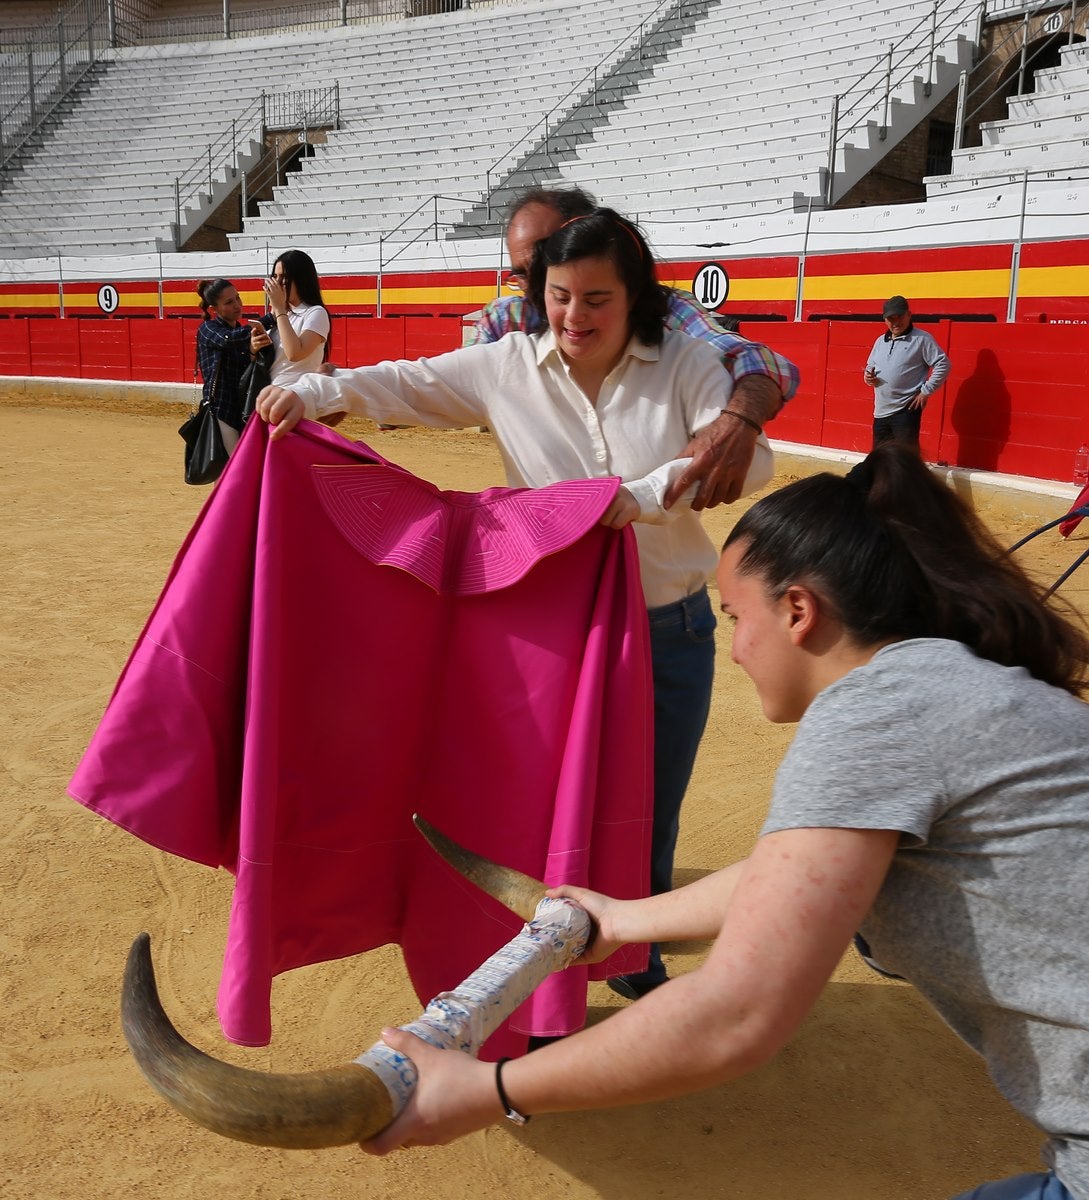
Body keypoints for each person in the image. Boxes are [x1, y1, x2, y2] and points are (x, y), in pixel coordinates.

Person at [359, 443, 1089, 1200]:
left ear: (798, 610)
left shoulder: (876, 713)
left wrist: (487, 1090)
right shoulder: (939, 687)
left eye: (735, 616)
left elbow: (734, 1016)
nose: (736, 648)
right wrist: (621, 921)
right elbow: (794, 880)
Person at [256, 207, 775, 1007]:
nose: (575, 317)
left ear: (635, 295)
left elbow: (747, 455)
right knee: (535, 809)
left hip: (664, 625)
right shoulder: (506, 363)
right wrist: (312, 391)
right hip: (549, 633)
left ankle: (631, 955)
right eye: (561, 295)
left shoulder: (685, 363)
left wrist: (631, 499)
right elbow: (405, 382)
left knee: (647, 809)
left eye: (597, 299)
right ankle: (532, 965)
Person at [475, 187, 799, 511]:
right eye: (522, 273)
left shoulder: (663, 310)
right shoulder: (507, 318)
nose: (537, 283)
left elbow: (757, 360)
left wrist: (739, 418)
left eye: (547, 259)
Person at [194, 278, 272, 453]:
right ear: (214, 309)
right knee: (234, 468)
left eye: (237, 298)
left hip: (241, 410)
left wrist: (252, 351)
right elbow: (227, 339)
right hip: (220, 410)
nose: (237, 305)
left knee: (230, 471)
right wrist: (269, 319)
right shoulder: (207, 329)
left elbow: (245, 374)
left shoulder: (240, 333)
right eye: (229, 302)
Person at [864, 294, 951, 448]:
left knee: (906, 459)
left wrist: (926, 391)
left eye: (900, 317)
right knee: (880, 458)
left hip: (906, 410)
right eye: (891, 318)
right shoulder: (879, 341)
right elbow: (870, 366)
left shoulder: (922, 339)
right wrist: (868, 377)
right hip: (880, 410)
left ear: (909, 315)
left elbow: (943, 364)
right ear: (885, 319)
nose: (896, 322)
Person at [249, 249, 331, 385]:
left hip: (297, 395)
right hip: (269, 392)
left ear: (301, 279)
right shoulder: (277, 315)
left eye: (284, 277)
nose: (278, 283)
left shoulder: (315, 312)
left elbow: (295, 353)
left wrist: (280, 309)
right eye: (275, 276)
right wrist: (253, 349)